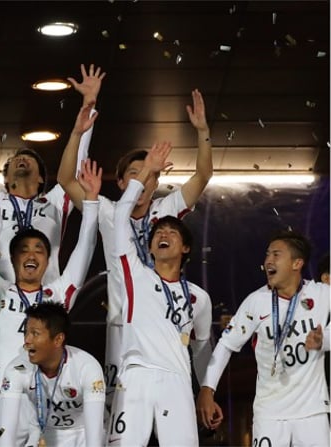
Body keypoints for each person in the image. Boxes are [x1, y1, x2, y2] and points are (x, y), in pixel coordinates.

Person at [57, 66, 214, 410]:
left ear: (156, 183)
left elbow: (203, 175)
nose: (141, 180)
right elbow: (66, 179)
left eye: (148, 174)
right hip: (122, 323)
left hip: (164, 321)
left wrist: (202, 131)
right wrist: (80, 126)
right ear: (121, 183)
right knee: (121, 407)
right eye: (133, 174)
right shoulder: (109, 211)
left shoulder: (167, 210)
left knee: (169, 407)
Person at [0, 159, 103, 446]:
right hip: (2, 394)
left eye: (39, 249)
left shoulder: (57, 294)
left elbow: (85, 248)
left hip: (48, 397)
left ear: (48, 260)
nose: (31, 254)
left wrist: (90, 202)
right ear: (11, 259)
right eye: (23, 250)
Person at [107, 141, 213, 446]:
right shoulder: (134, 275)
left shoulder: (199, 298)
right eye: (158, 234)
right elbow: (120, 216)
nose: (163, 235)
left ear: (186, 247)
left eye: (172, 233)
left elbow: (202, 350)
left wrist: (206, 391)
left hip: (177, 381)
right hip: (135, 378)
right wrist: (145, 173)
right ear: (149, 247)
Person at [197, 231, 330, 446]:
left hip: (312, 413)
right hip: (269, 413)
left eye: (276, 254)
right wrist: (207, 388)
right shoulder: (256, 301)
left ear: (297, 263)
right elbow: (226, 345)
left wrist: (324, 340)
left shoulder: (322, 294)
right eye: (267, 254)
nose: (268, 260)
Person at [0, 302, 106, 447]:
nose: (27, 340)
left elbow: (94, 434)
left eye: (35, 333)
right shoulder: (16, 369)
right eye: (26, 332)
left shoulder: (87, 367)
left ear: (58, 339)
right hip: (41, 435)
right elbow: (6, 429)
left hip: (81, 436)